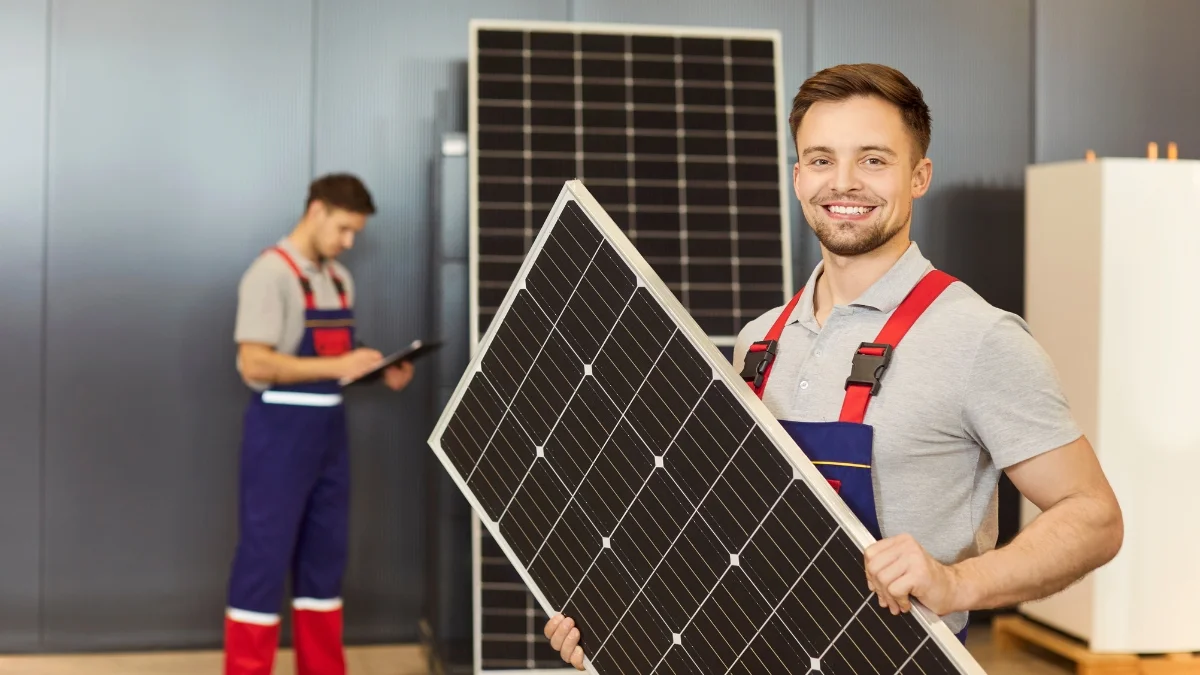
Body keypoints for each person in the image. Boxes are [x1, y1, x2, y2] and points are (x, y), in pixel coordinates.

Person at [542, 64, 1124, 669]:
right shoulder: (757, 342)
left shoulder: (978, 338)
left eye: (873, 160)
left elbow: (1094, 518)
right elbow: (724, 542)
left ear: (919, 176)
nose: (844, 183)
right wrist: (626, 633)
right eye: (821, 160)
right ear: (798, 178)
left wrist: (956, 583)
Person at [223, 173, 415, 675]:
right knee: (263, 562)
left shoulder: (339, 279)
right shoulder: (269, 274)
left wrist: (375, 371)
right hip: (278, 438)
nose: (349, 242)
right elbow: (254, 363)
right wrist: (338, 364)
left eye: (355, 233)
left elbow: (336, 360)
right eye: (344, 229)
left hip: (330, 438)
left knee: (324, 564)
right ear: (316, 211)